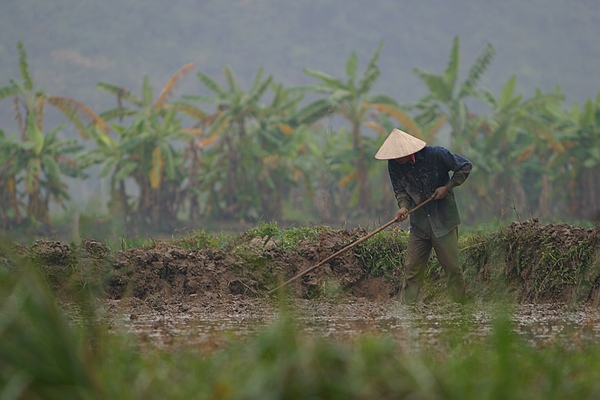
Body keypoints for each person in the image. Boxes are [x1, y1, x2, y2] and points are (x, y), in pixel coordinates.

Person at [375, 128, 472, 303]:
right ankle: (408, 310)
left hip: (443, 221)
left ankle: (460, 309)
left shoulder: (436, 154)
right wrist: (404, 207)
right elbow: (400, 190)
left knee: (452, 269)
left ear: (408, 151)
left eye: (399, 155)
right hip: (419, 225)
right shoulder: (394, 165)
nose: (396, 159)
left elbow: (465, 167)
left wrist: (447, 187)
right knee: (412, 270)